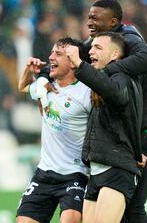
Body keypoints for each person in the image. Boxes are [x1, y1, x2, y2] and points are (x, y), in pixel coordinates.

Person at [84, 0, 147, 223]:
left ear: (112, 22)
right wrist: (43, 73)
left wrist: (106, 72)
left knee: (133, 209)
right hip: (129, 135)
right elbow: (71, 55)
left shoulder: (129, 38)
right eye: (89, 17)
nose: (89, 21)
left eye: (94, 18)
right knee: (122, 212)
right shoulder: (100, 42)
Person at [66, 31, 144, 223]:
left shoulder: (122, 78)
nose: (91, 51)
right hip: (97, 168)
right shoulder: (103, 80)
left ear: (114, 55)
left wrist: (80, 65)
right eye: (91, 47)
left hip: (117, 168)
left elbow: (116, 95)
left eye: (98, 48)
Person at [16, 38, 91, 223]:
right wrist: (28, 70)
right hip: (45, 172)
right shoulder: (46, 87)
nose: (50, 57)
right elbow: (23, 87)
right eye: (51, 52)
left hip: (76, 174)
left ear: (73, 61)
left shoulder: (87, 93)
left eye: (58, 54)